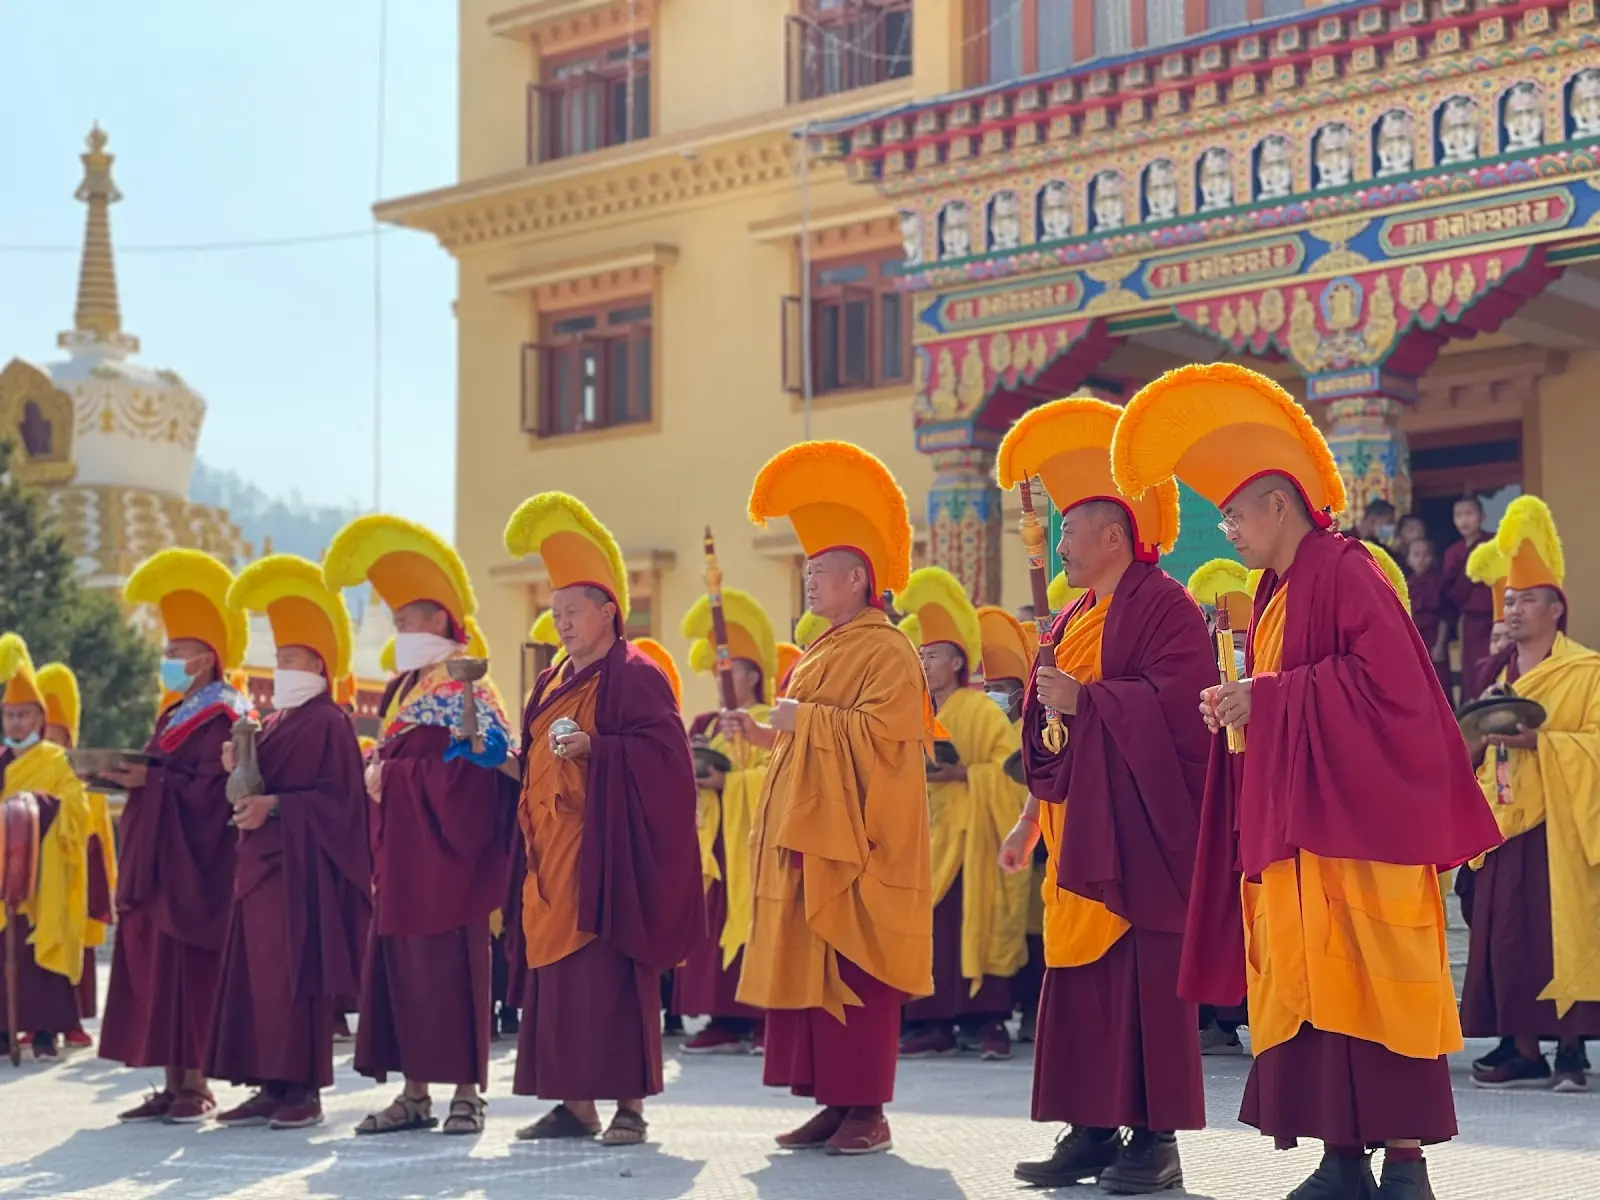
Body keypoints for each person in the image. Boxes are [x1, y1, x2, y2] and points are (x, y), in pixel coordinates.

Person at [1113, 362, 1502, 1199]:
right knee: (1318, 988)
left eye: (1233, 513)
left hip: (1362, 827)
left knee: (1376, 986)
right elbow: (1293, 699)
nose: (1227, 532)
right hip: (1299, 829)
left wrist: (1274, 697)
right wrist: (1240, 709)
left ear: (1278, 504)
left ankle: (1403, 1164)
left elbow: (1394, 688)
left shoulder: (1346, 569)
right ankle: (1338, 1158)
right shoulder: (1275, 591)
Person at [995, 397, 1214, 1194]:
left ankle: (1155, 1141)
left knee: (1140, 988)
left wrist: (1089, 703)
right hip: (1073, 831)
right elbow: (1049, 729)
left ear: (1113, 535)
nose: (1057, 540)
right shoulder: (1073, 614)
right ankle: (1088, 1129)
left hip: (1139, 835)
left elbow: (1182, 708)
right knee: (1082, 986)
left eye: (1069, 528)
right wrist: (1029, 810)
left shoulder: (1164, 605)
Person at [731, 440, 934, 1157]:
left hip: (859, 846)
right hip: (810, 837)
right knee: (815, 972)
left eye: (819, 574)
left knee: (856, 972)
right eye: (807, 573)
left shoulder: (886, 649)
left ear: (858, 579)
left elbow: (887, 737)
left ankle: (868, 1111)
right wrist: (764, 733)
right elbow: (802, 746)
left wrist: (803, 720)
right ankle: (830, 1101)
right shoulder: (823, 648)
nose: (809, 585)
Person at [498, 492, 702, 1147]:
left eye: (571, 610)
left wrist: (600, 750)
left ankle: (630, 1108)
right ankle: (574, 1104)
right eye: (552, 611)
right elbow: (534, 761)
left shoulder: (635, 674)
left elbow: (668, 760)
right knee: (559, 986)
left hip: (605, 852)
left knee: (612, 981)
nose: (559, 622)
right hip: (549, 856)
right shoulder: (551, 680)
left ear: (609, 612)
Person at [321, 515, 518, 1137]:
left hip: (452, 859)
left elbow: (474, 777)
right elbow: (396, 757)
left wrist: (394, 779)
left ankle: (466, 1094)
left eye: (407, 617)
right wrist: (381, 772)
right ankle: (413, 1093)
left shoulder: (468, 685)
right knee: (402, 972)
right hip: (402, 855)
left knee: (455, 975)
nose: (399, 627)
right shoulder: (405, 687)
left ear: (440, 619)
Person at [203, 555, 373, 1129]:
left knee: (292, 980)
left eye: (293, 659)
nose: (282, 668)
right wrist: (237, 764)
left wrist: (276, 806)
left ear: (320, 665)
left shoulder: (329, 722)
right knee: (257, 980)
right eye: (278, 659)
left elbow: (341, 803)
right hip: (259, 868)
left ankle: (302, 1089)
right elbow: (252, 785)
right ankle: (267, 1084)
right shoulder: (272, 722)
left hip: (300, 872)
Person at [100, 550, 251, 1123]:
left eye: (175, 653)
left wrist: (153, 782)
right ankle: (168, 1081)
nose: (166, 662)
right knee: (159, 970)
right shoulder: (174, 715)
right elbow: (166, 774)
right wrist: (129, 777)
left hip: (198, 867)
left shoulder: (224, 716)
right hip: (163, 863)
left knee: (191, 972)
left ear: (207, 657)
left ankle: (197, 1084)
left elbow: (211, 789)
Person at [1460, 496, 1600, 1094]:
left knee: (1558, 930)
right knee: (1507, 936)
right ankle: (1522, 1049)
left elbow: (1595, 742)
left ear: (1556, 608)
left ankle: (1570, 1050)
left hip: (1559, 824)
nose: (1513, 610)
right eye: (1509, 601)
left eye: (1525, 601)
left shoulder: (1586, 671)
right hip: (1501, 817)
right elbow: (1463, 740)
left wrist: (1542, 740)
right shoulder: (1495, 673)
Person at [892, 568, 1028, 1062]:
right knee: (932, 930)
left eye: (932, 656)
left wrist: (965, 776)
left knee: (974, 920)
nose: (925, 664)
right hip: (927, 834)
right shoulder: (914, 710)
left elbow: (1010, 771)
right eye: (921, 655)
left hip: (974, 835)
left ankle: (987, 1021)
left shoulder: (980, 710)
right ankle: (932, 1022)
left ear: (956, 661)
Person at [676, 586, 779, 1056]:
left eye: (731, 670)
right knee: (712, 925)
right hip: (714, 841)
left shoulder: (770, 719)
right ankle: (722, 1019)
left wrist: (730, 784)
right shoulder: (710, 725)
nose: (723, 680)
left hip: (757, 841)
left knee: (761, 921)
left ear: (754, 673)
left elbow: (775, 777)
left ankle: (762, 1017)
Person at [0, 636, 91, 1062]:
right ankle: (3, 1030)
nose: (16, 723)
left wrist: (38, 806)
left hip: (44, 867)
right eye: (10, 715)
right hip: (3, 867)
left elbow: (77, 807)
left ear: (40, 717)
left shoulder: (56, 760)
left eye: (24, 715)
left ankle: (44, 1032)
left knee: (39, 947)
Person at [1184, 559, 1257, 1058]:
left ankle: (1236, 1016)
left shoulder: (1258, 671)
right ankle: (1212, 1016)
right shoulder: (1192, 669)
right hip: (1199, 802)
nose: (1219, 630)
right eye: (1213, 621)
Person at [36, 662, 116, 1052]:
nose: (52, 740)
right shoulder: (25, 766)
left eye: (59, 734)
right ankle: (37, 1021)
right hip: (37, 870)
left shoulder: (82, 774)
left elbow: (99, 830)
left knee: (77, 941)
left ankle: (74, 1018)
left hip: (77, 868)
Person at [976, 605, 1045, 1042]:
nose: (993, 697)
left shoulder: (1034, 726)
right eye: (987, 688)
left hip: (1039, 845)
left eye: (1000, 689)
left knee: (1036, 933)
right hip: (992, 842)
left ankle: (1036, 1012)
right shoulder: (984, 724)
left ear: (1022, 695)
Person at [1443, 495, 1496, 703]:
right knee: (1471, 670)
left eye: (1469, 514)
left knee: (1493, 664)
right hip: (1470, 621)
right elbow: (1448, 591)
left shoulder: (1492, 545)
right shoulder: (1453, 553)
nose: (1464, 520)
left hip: (1494, 619)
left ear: (1482, 517)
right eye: (1459, 515)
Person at [1463, 540, 1512, 700]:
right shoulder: (1484, 673)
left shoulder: (1530, 673)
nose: (1500, 645)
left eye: (1509, 637)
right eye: (1495, 639)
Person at [1406, 538, 1453, 694]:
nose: (1421, 559)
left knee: (1438, 682)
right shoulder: (1406, 584)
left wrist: (1440, 644)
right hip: (1414, 638)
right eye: (1416, 555)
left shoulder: (1439, 582)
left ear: (1432, 558)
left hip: (1434, 638)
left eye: (1426, 555)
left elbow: (1444, 617)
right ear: (1408, 559)